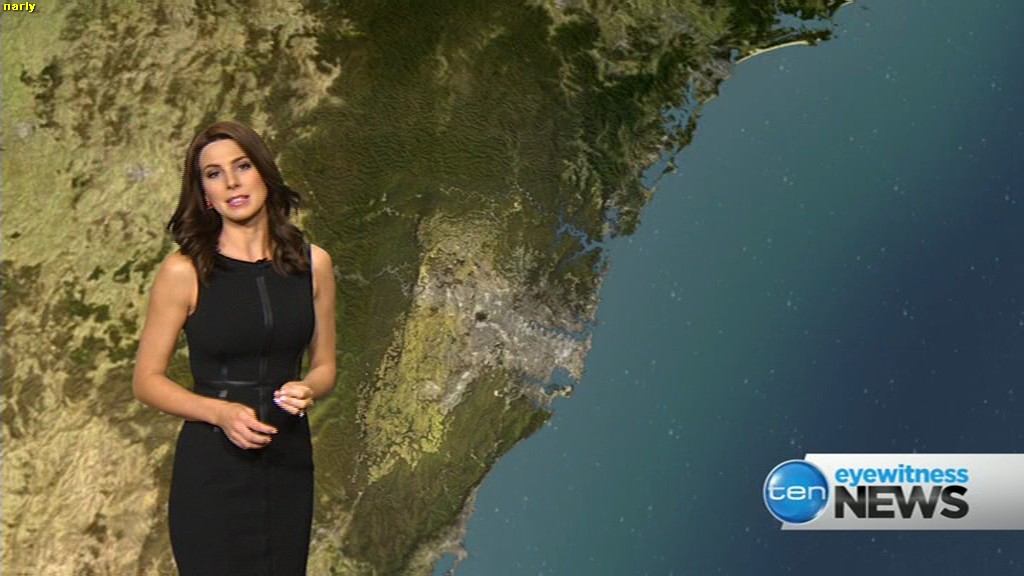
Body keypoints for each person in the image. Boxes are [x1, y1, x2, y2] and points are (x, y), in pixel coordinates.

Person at [133, 120, 336, 575]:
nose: (231, 182)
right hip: (214, 467)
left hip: (288, 462)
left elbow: (324, 365)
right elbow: (146, 381)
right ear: (205, 193)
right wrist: (220, 413)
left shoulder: (313, 264)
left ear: (264, 172)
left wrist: (307, 388)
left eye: (242, 166)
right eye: (214, 173)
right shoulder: (183, 272)